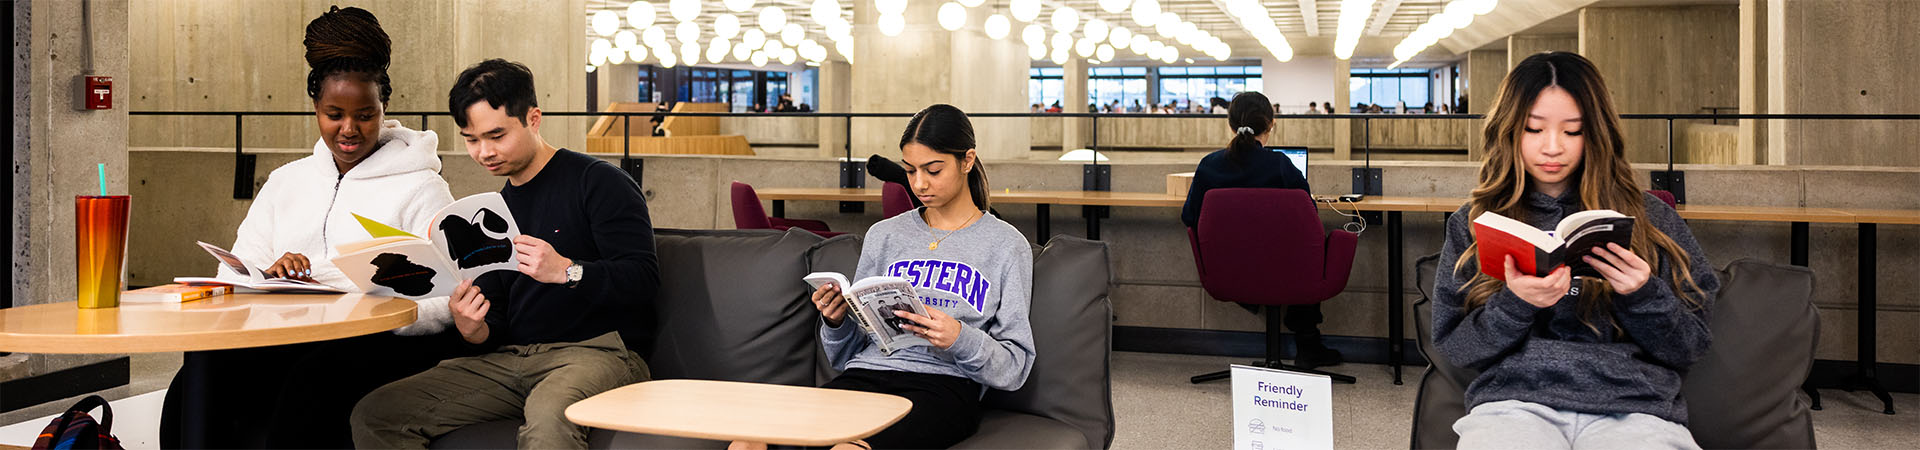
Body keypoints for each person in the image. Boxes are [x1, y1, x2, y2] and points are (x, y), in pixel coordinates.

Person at [158, 7, 460, 448]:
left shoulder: (421, 186)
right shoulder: (287, 181)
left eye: (365, 115)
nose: (349, 129)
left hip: (377, 340)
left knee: (313, 381)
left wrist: (355, 288)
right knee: (195, 382)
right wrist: (271, 274)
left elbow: (449, 297)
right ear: (316, 108)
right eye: (334, 113)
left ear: (384, 109)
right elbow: (234, 275)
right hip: (292, 332)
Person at [351, 59, 659, 449]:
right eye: (471, 139)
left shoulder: (598, 182)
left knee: (549, 418)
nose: (484, 152)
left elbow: (643, 280)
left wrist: (568, 271)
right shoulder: (492, 211)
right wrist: (473, 327)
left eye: (496, 135)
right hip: (511, 360)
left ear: (533, 118)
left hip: (598, 353)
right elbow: (495, 314)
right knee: (378, 413)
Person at [1431, 52, 1718, 449]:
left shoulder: (1654, 219)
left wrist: (1643, 295)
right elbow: (1455, 347)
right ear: (1510, 130)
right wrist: (1516, 304)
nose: (1552, 147)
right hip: (1514, 405)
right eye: (1534, 129)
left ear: (1596, 133)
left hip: (1637, 409)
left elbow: (1692, 346)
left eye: (1572, 131)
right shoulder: (1475, 222)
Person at [736, 104, 1036, 450]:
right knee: (750, 439)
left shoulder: (1006, 245)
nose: (919, 183)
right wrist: (836, 322)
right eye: (910, 171)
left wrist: (959, 336)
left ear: (967, 161)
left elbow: (1015, 367)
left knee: (846, 449)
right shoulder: (885, 235)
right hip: (865, 375)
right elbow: (845, 354)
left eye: (933, 170)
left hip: (943, 388)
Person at [1178, 91, 1342, 369]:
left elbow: (1189, 217)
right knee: (1312, 250)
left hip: (1227, 270)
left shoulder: (1209, 166)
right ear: (1271, 124)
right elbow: (1309, 219)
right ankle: (1307, 342)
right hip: (1283, 270)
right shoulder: (1281, 165)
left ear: (1230, 124)